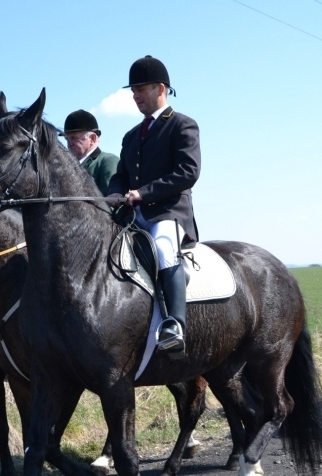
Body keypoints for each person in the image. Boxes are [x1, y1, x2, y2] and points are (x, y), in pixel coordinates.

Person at [106, 55, 201, 357]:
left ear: (161, 88)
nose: (134, 96)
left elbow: (188, 172)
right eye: (132, 90)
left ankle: (176, 325)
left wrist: (143, 194)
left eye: (140, 89)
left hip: (168, 212)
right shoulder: (131, 136)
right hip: (133, 215)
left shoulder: (182, 125)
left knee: (162, 249)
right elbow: (120, 176)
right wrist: (113, 196)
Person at [60, 109, 119, 194]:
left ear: (92, 139)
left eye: (73, 138)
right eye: (67, 139)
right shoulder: (67, 167)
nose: (69, 144)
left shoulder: (108, 161)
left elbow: (112, 202)